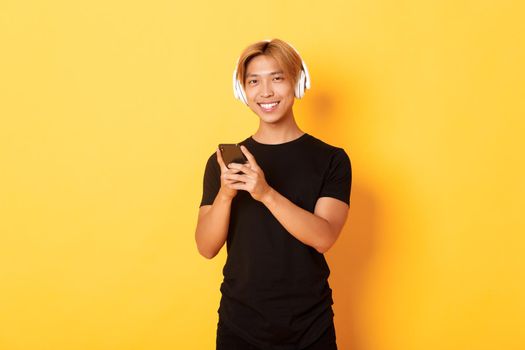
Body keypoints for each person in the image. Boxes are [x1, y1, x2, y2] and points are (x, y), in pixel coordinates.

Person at [195, 38, 352, 350]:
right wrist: (226, 194)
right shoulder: (224, 163)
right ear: (242, 90)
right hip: (240, 326)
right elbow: (206, 247)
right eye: (254, 81)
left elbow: (324, 237)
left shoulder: (332, 159)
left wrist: (265, 192)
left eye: (277, 78)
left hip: (310, 326)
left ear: (298, 81)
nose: (265, 92)